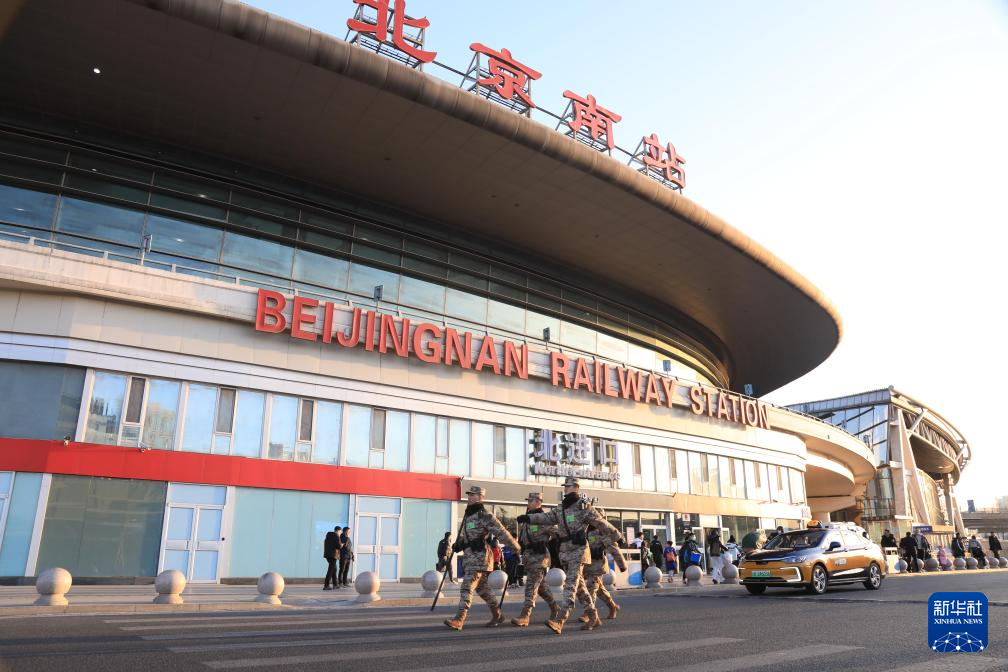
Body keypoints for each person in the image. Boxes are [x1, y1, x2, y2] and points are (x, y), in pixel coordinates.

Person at [519, 476, 611, 634]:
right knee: (580, 587)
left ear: (576, 487)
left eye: (568, 486)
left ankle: (560, 620)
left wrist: (617, 536)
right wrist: (529, 517)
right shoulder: (561, 508)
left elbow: (600, 522)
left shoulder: (583, 506)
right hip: (566, 553)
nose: (565, 488)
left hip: (579, 551)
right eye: (565, 486)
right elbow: (547, 517)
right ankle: (593, 616)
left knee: (570, 585)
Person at [444, 486, 520, 631]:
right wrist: (459, 544)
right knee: (483, 589)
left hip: (479, 557)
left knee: (466, 587)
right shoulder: (468, 515)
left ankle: (459, 619)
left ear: (480, 497)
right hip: (470, 557)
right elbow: (467, 536)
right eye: (469, 495)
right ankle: (497, 615)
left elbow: (501, 531)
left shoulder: (484, 515)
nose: (469, 497)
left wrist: (515, 547)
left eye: (472, 495)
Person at [511, 492, 560, 627]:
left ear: (538, 502)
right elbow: (524, 538)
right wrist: (519, 547)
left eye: (530, 501)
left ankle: (525, 615)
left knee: (531, 585)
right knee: (541, 587)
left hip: (539, 557)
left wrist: (545, 543)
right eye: (528, 501)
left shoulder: (544, 519)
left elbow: (558, 534)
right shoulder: (528, 518)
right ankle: (555, 608)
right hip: (529, 557)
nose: (528, 503)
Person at [576, 506, 625, 624]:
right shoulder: (585, 529)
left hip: (598, 565)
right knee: (600, 591)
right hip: (587, 565)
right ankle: (613, 606)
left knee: (591, 588)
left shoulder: (603, 532)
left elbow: (614, 548)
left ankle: (589, 613)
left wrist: (622, 565)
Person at [322, 525, 341, 590]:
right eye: (340, 532)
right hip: (333, 555)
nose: (340, 533)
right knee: (330, 570)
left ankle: (335, 584)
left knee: (334, 569)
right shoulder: (336, 536)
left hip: (328, 555)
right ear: (338, 531)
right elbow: (339, 546)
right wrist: (341, 545)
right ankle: (326, 585)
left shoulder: (328, 536)